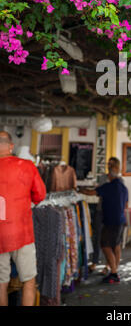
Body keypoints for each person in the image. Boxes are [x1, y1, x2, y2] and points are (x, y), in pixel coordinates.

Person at [0, 131, 46, 306]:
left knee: (1, 283)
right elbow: (40, 195)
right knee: (28, 279)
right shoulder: (26, 166)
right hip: (22, 233)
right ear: (11, 146)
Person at [79, 157, 128, 284]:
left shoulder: (108, 186)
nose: (109, 167)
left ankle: (113, 272)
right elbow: (126, 204)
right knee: (116, 245)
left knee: (105, 245)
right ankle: (114, 271)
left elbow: (92, 192)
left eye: (111, 166)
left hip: (111, 220)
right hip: (120, 219)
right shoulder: (123, 187)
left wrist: (78, 189)